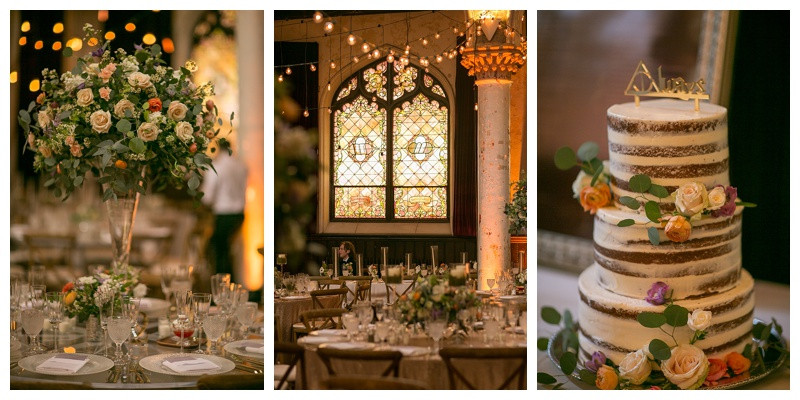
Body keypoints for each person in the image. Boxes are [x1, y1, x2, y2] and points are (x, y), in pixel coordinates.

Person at [201, 139, 248, 280]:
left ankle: (221, 285)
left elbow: (207, 197)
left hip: (223, 213)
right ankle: (231, 284)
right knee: (228, 250)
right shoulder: (241, 166)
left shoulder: (217, 166)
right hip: (239, 214)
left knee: (218, 251)